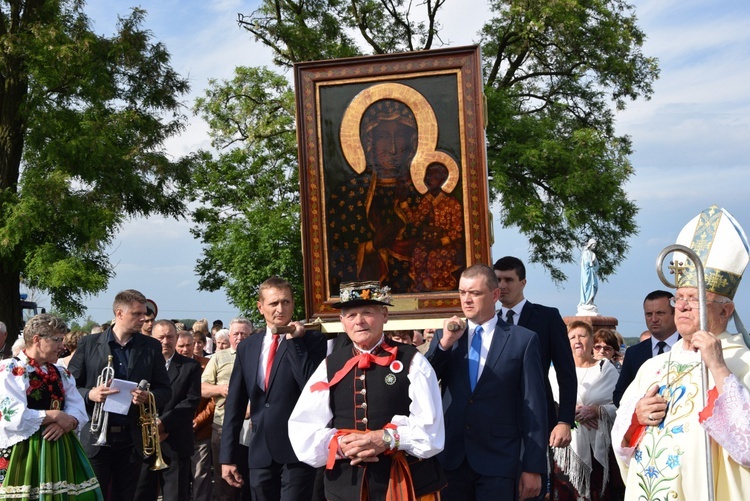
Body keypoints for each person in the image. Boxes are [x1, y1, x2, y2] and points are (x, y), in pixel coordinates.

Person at [612, 205, 750, 500]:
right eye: (680, 298)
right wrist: (637, 417)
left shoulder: (742, 363)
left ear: (725, 310)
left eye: (696, 299)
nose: (684, 306)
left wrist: (719, 369)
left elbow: (748, 446)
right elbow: (621, 441)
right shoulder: (653, 367)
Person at [289, 281, 445, 500]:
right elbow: (303, 428)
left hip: (403, 483)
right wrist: (342, 445)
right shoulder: (329, 365)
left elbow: (431, 432)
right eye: (351, 315)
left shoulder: (413, 361)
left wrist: (387, 439)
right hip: (346, 487)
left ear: (384, 315)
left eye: (367, 312)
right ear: (342, 322)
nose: (359, 321)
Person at [427, 264, 547, 500]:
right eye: (462, 293)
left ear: (494, 295)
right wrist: (444, 346)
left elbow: (534, 406)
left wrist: (533, 466)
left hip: (499, 461)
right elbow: (424, 381)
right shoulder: (447, 337)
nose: (467, 300)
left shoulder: (523, 340)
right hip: (452, 458)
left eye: (475, 293)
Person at [220, 277, 326, 501]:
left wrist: (294, 340)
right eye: (274, 303)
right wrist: (227, 457)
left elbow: (309, 383)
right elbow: (235, 403)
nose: (280, 309)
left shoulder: (312, 341)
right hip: (260, 451)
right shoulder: (248, 347)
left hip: (298, 449)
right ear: (260, 307)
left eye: (286, 302)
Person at [68, 289, 172, 501]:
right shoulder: (89, 344)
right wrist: (90, 394)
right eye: (137, 314)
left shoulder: (151, 346)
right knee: (94, 496)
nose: (143, 318)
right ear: (119, 313)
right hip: (96, 438)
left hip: (132, 439)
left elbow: (165, 390)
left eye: (144, 313)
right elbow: (69, 388)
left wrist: (147, 397)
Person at [493, 255, 576, 498]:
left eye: (509, 279)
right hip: (496, 421)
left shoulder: (547, 317)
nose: (503, 286)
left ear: (523, 282)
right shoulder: (488, 322)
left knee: (533, 489)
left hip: (536, 421)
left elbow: (566, 373)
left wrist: (565, 420)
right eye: (498, 280)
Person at [0, 314, 103, 499]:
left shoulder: (60, 372)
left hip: (60, 448)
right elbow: (12, 416)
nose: (62, 347)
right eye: (57, 340)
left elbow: (77, 407)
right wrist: (54, 415)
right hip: (24, 451)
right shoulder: (11, 370)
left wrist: (66, 421)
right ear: (37, 340)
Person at [328, 99, 423, 294]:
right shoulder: (348, 194)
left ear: (412, 140)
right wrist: (371, 246)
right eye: (383, 137)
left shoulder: (420, 192)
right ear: (369, 141)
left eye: (400, 136)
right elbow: (335, 257)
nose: (393, 148)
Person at [550, 321, 622, 501]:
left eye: (582, 336)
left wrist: (598, 411)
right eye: (572, 337)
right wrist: (569, 411)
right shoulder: (555, 371)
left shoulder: (606, 369)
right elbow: (548, 403)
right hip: (567, 450)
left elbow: (621, 405)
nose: (578, 341)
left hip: (599, 447)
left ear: (591, 340)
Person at [135, 320, 201, 501]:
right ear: (152, 339)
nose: (165, 341)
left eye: (170, 337)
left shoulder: (190, 367)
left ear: (176, 337)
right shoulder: (141, 365)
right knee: (140, 494)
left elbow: (191, 401)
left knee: (176, 496)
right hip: (143, 443)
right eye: (160, 337)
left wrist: (163, 424)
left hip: (176, 443)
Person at [201, 317, 252, 501]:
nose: (239, 338)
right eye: (236, 334)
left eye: (244, 334)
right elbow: (202, 388)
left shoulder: (259, 356)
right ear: (229, 336)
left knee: (250, 480)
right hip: (223, 426)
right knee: (225, 484)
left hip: (253, 428)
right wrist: (221, 389)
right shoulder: (218, 357)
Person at [399, 161, 464, 291]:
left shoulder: (452, 203)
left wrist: (440, 242)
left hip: (446, 244)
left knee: (437, 256)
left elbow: (457, 230)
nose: (428, 179)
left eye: (432, 176)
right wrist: (404, 203)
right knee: (418, 253)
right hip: (427, 241)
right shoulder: (426, 200)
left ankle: (441, 288)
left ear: (442, 180)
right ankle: (421, 286)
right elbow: (416, 221)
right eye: (427, 175)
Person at [613, 291, 679, 407]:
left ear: (675, 313)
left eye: (660, 313)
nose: (654, 319)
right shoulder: (634, 353)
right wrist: (642, 406)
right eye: (649, 314)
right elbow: (619, 396)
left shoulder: (691, 347)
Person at [175, 331, 214, 501]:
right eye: (181, 346)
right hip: (176, 431)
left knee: (200, 476)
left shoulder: (207, 365)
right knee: (179, 477)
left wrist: (198, 421)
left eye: (188, 345)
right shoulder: (168, 367)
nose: (185, 349)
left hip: (202, 429)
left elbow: (214, 400)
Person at [578, 238, 599, 312]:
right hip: (587, 274)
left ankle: (591, 302)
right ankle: (586, 302)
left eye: (595, 245)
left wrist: (594, 263)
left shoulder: (593, 254)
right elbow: (586, 263)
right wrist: (591, 262)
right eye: (593, 245)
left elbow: (597, 265)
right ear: (590, 244)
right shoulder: (586, 253)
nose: (594, 246)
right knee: (587, 287)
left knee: (595, 287)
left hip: (592, 273)